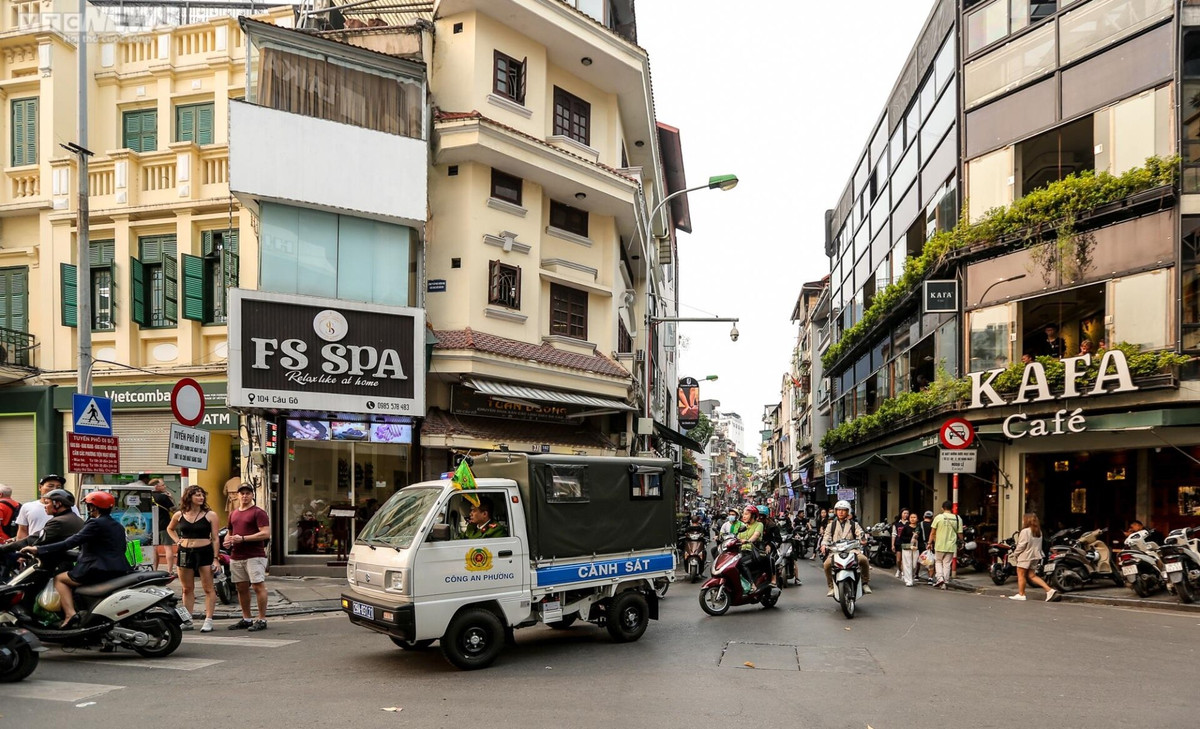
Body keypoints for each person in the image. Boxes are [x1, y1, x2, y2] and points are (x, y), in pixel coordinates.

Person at [20, 491, 130, 627]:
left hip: (97, 569)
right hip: (119, 567)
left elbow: (70, 542)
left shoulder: (95, 524)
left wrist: (38, 549)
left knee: (60, 579)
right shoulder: (117, 525)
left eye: (89, 506)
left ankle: (70, 614)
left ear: (93, 507)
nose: (88, 509)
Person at [167, 485, 220, 632]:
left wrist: (216, 558)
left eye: (202, 495)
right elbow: (169, 528)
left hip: (205, 552)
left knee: (208, 587)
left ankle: (208, 619)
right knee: (187, 588)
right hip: (185, 551)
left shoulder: (210, 515)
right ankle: (187, 619)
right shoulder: (179, 514)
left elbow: (215, 538)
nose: (201, 497)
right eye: (197, 495)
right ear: (189, 497)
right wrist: (177, 540)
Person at [224, 484, 271, 632]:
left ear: (252, 495)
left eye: (247, 493)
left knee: (258, 585)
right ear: (237, 495)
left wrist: (243, 538)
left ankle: (262, 619)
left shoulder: (258, 513)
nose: (244, 496)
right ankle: (246, 618)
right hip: (236, 555)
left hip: (254, 555)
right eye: (242, 493)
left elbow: (265, 533)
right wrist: (227, 540)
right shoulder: (233, 513)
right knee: (241, 587)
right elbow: (230, 532)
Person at [0, 489, 84, 572]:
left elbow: (31, 540)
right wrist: (15, 539)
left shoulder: (59, 521)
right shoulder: (75, 519)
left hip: (56, 566)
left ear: (57, 504)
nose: (45, 506)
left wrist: (2, 549)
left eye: (47, 503)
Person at [822, 500, 871, 596]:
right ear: (836, 512)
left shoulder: (854, 525)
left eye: (843, 510)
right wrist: (824, 545)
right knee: (826, 565)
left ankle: (864, 583)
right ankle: (831, 586)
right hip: (835, 552)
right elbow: (826, 537)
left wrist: (863, 538)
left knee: (864, 560)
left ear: (848, 512)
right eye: (839, 510)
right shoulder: (831, 525)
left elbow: (860, 534)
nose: (841, 512)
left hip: (852, 551)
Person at [1009, 513, 1057, 602]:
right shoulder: (1038, 531)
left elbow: (1021, 545)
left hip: (1026, 556)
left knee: (1021, 575)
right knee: (1032, 575)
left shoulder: (1025, 531)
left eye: (1024, 519)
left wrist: (1015, 554)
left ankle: (1021, 594)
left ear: (1027, 520)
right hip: (1036, 556)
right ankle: (1049, 590)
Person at [15, 475, 75, 541]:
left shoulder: (69, 506)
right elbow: (22, 531)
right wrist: (21, 547)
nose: (54, 489)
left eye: (58, 487)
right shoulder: (27, 507)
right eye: (50, 486)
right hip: (33, 546)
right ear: (40, 487)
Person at [929, 500, 962, 589]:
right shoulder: (957, 518)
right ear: (952, 508)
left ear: (942, 508)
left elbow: (932, 532)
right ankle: (945, 582)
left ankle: (940, 578)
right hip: (951, 545)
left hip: (939, 544)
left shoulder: (938, 517)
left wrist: (929, 543)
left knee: (938, 561)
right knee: (947, 564)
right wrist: (962, 541)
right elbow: (960, 532)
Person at [735, 505, 767, 588]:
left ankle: (752, 584)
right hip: (741, 552)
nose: (744, 516)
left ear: (753, 516)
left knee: (741, 563)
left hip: (754, 552)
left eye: (746, 514)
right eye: (743, 514)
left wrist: (748, 541)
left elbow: (756, 535)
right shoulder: (743, 526)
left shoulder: (759, 525)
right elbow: (736, 537)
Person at [150, 478, 177, 575]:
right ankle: (170, 570)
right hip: (164, 524)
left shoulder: (147, 497)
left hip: (151, 526)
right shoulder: (163, 497)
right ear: (156, 487)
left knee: (154, 549)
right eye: (163, 485)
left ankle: (153, 570)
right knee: (168, 548)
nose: (165, 487)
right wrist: (171, 498)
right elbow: (174, 509)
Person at [898, 511, 920, 586]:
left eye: (914, 517)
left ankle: (912, 577)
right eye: (911, 517)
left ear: (917, 519)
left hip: (916, 548)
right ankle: (908, 580)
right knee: (907, 564)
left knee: (914, 565)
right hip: (907, 548)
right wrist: (911, 538)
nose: (913, 519)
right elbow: (901, 537)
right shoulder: (906, 528)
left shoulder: (918, 528)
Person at [917, 510, 935, 584]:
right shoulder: (934, 525)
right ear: (932, 517)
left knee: (919, 560)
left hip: (921, 545)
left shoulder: (920, 524)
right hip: (932, 545)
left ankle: (916, 575)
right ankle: (930, 578)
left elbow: (916, 534)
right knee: (931, 561)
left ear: (924, 517)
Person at [891, 509, 910, 579]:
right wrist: (892, 544)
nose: (906, 515)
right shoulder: (896, 524)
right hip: (898, 542)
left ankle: (903, 572)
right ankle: (899, 569)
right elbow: (894, 534)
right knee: (898, 560)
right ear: (901, 514)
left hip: (907, 543)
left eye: (907, 513)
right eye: (904, 513)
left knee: (905, 559)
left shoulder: (909, 523)